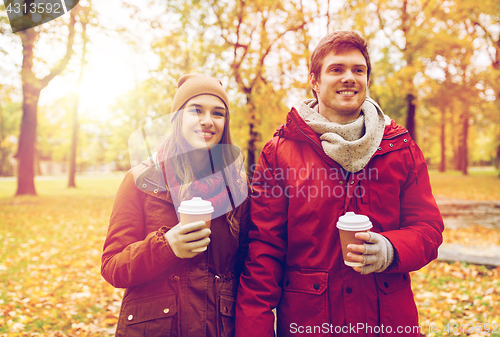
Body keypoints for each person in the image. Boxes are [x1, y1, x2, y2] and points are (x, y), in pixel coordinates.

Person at [235, 31, 444, 337]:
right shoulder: (280, 152)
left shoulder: (400, 148)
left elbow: (428, 227)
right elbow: (264, 252)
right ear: (314, 81)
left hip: (387, 323)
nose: (349, 77)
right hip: (310, 324)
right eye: (337, 69)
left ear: (367, 81)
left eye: (358, 70)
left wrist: (390, 248)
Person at [102, 73, 250, 337]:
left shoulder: (237, 187)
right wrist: (166, 246)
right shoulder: (141, 180)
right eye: (196, 110)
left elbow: (247, 268)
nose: (207, 121)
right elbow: (113, 266)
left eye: (218, 113)